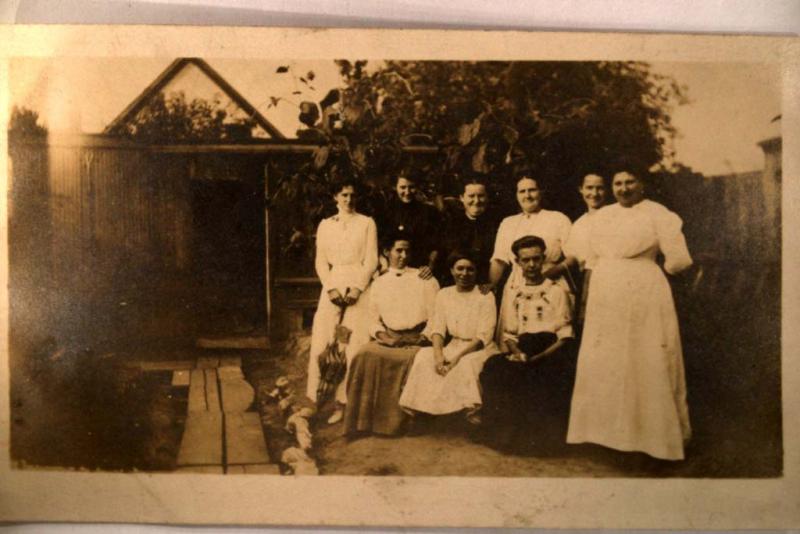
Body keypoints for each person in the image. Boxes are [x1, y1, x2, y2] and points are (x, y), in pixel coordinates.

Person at [567, 171, 693, 461]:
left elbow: (679, 260)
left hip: (644, 292)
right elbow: (590, 258)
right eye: (618, 184)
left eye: (630, 182)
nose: (623, 189)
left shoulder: (658, 214)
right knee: (608, 360)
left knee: (644, 357)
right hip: (606, 293)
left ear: (642, 185)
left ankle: (652, 440)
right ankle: (605, 437)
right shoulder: (602, 216)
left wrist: (655, 269)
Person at [479, 235, 575, 454]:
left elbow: (565, 335)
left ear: (543, 260)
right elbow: (510, 334)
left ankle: (541, 442)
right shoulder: (515, 293)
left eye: (536, 259)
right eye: (526, 260)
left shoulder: (556, 291)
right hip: (523, 348)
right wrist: (518, 353)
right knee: (494, 367)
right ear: (518, 262)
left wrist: (537, 358)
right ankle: (505, 438)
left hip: (551, 350)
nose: (532, 265)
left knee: (539, 376)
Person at [344, 235, 439, 436]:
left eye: (407, 251)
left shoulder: (425, 279)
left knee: (416, 359)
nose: (403, 256)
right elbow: (372, 319)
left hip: (417, 339)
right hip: (389, 338)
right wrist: (383, 336)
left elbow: (437, 317)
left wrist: (422, 337)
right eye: (398, 250)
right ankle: (363, 422)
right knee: (364, 354)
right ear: (387, 252)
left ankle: (404, 422)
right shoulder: (379, 282)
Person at [307, 178, 379, 424]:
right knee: (326, 339)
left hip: (358, 285)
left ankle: (344, 403)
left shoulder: (367, 223)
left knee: (352, 343)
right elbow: (320, 262)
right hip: (333, 284)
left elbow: (371, 260)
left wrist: (358, 289)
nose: (348, 200)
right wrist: (330, 289)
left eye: (352, 195)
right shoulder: (326, 225)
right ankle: (317, 399)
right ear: (335, 198)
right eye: (344, 195)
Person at [399, 250, 498, 419]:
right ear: (452, 270)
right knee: (424, 356)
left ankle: (470, 411)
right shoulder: (444, 294)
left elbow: (483, 337)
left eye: (470, 269)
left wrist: (455, 359)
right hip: (453, 345)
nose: (464, 274)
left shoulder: (485, 295)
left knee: (466, 363)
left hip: (478, 349)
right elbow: (437, 329)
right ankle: (422, 410)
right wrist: (439, 355)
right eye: (459, 268)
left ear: (476, 272)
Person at [488, 171, 573, 337]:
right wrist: (491, 288)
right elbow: (499, 260)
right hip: (517, 285)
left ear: (541, 192)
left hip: (552, 285)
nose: (527, 195)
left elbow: (572, 257)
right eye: (522, 191)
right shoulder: (508, 223)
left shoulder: (558, 218)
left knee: (551, 335)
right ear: (516, 195)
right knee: (514, 337)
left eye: (532, 190)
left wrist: (547, 276)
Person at [562, 173, 608, 327]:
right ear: (580, 189)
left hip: (610, 281)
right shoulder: (578, 224)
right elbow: (573, 258)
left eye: (599, 188)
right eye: (589, 188)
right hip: (586, 283)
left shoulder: (614, 217)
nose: (594, 194)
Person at [436, 175, 499, 285]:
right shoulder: (451, 225)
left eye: (481, 196)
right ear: (462, 198)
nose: (476, 201)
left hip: (484, 285)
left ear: (487, 197)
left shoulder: (497, 225)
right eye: (471, 196)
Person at [375, 172, 440, 279]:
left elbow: (436, 244)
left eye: (412, 187)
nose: (407, 192)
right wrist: (383, 263)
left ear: (417, 187)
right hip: (391, 269)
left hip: (419, 270)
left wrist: (430, 267)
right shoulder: (385, 211)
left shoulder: (429, 212)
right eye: (402, 187)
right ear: (395, 187)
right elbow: (379, 242)